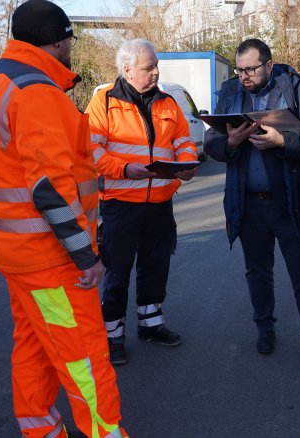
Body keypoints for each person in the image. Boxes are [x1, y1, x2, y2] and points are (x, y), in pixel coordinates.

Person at [0, 1, 127, 437]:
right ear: (58, 40)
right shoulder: (36, 91)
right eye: (70, 40)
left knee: (34, 347)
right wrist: (85, 257)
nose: (71, 47)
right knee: (84, 358)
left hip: (16, 251)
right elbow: (49, 188)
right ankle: (106, 432)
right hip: (50, 259)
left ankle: (41, 429)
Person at [204, 39, 300, 371]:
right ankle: (265, 329)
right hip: (249, 205)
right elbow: (211, 144)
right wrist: (228, 142)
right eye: (239, 69)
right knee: (257, 272)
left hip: (292, 204)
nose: (244, 76)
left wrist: (283, 140)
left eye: (250, 69)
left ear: (269, 65)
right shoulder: (230, 92)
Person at [87, 39, 198, 366]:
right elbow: (90, 151)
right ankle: (113, 334)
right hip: (121, 203)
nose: (156, 72)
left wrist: (188, 165)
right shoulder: (103, 102)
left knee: (156, 264)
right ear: (127, 70)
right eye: (149, 67)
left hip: (160, 203)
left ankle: (151, 324)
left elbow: (184, 142)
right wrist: (123, 168)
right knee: (117, 271)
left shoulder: (167, 102)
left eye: (156, 65)